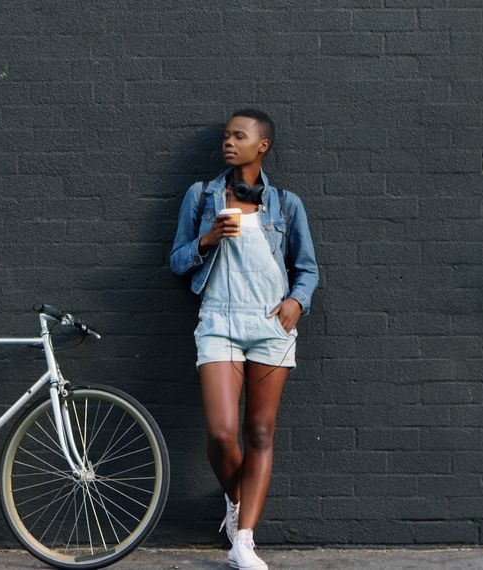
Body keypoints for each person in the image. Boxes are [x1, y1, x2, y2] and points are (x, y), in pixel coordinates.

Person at [169, 109, 319, 570]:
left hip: (270, 327)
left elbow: (307, 269)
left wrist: (297, 301)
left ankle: (244, 540)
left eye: (239, 136)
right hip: (219, 322)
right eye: (226, 136)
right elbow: (176, 262)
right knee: (221, 432)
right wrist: (209, 237)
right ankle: (236, 501)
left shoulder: (287, 205)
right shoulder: (202, 196)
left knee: (259, 432)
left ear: (263, 146)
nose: (228, 143)